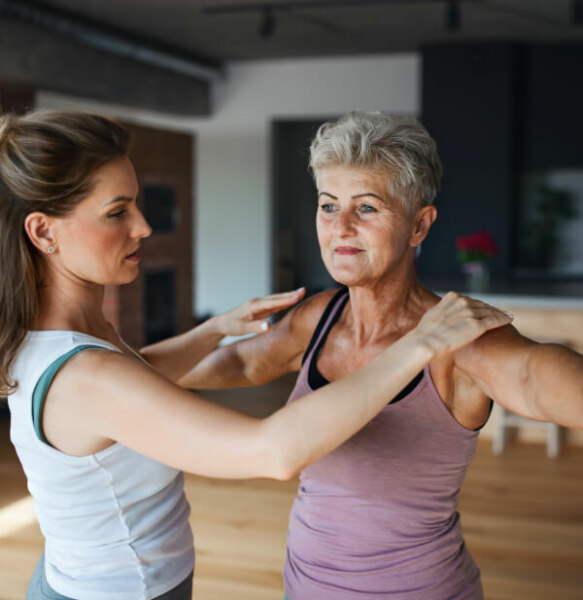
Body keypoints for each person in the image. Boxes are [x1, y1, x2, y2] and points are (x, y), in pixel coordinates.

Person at [0, 109, 511, 600]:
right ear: (44, 232)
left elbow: (136, 379)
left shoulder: (74, 341)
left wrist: (214, 330)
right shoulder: (88, 373)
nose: (143, 226)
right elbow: (273, 451)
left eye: (135, 204)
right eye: (117, 213)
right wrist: (419, 344)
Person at [178, 111, 583, 600]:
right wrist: (124, 371)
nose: (341, 226)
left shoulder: (453, 336)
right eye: (329, 206)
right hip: (304, 587)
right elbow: (244, 363)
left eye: (366, 208)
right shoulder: (319, 316)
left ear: (418, 225)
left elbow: (534, 377)